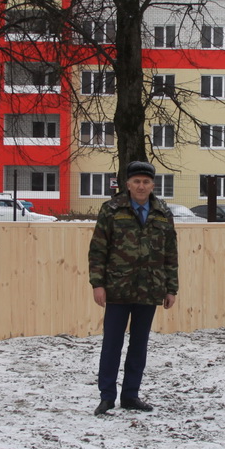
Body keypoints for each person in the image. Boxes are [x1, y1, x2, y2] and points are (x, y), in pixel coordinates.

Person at [88, 161, 178, 416]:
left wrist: (171, 288)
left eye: (146, 182)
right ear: (127, 184)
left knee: (139, 346)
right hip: (117, 289)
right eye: (136, 181)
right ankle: (107, 396)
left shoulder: (162, 212)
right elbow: (97, 250)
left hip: (149, 289)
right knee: (112, 344)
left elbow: (170, 253)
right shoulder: (112, 210)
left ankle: (130, 395)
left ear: (153, 185)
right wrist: (98, 284)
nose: (141, 186)